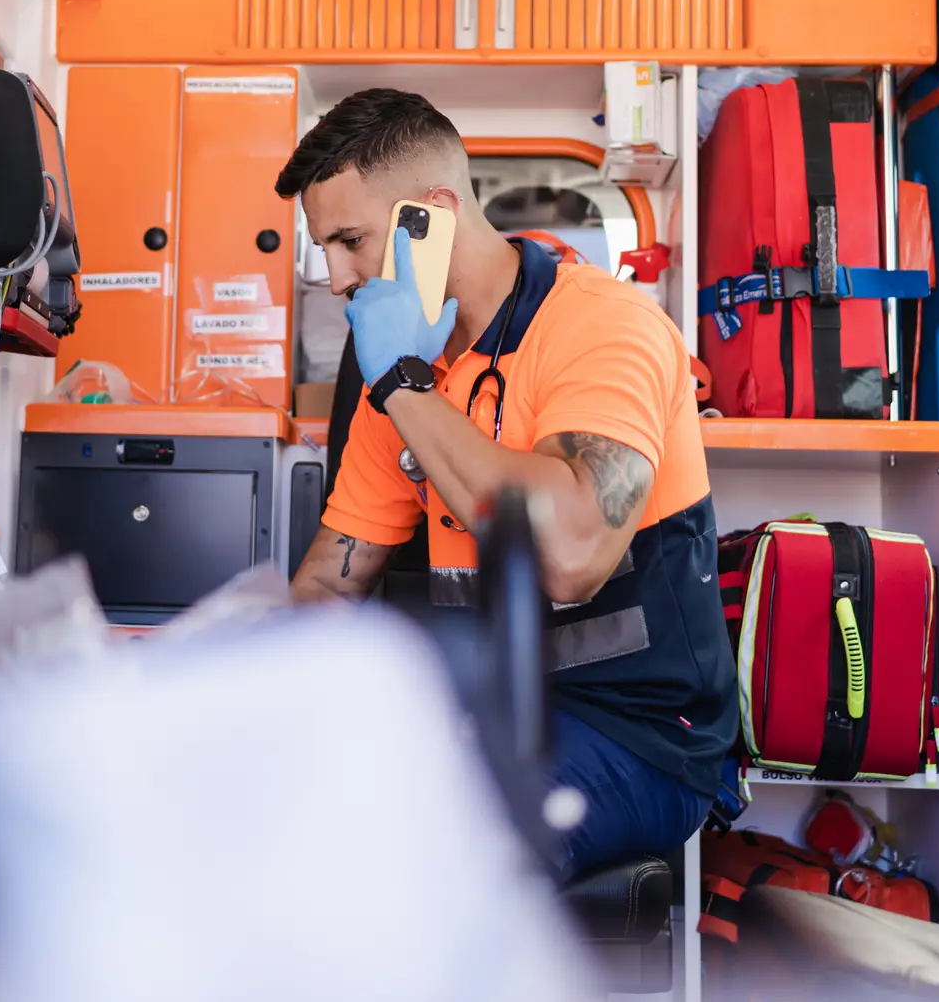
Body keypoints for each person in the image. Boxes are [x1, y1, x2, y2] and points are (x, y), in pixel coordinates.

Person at [279, 88, 738, 879]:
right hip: (484, 714)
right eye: (324, 248)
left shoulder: (604, 327)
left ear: (432, 216)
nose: (335, 277)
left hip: (641, 735)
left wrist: (401, 385)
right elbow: (330, 576)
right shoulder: (405, 364)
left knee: (413, 858)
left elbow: (569, 553)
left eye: (350, 241)